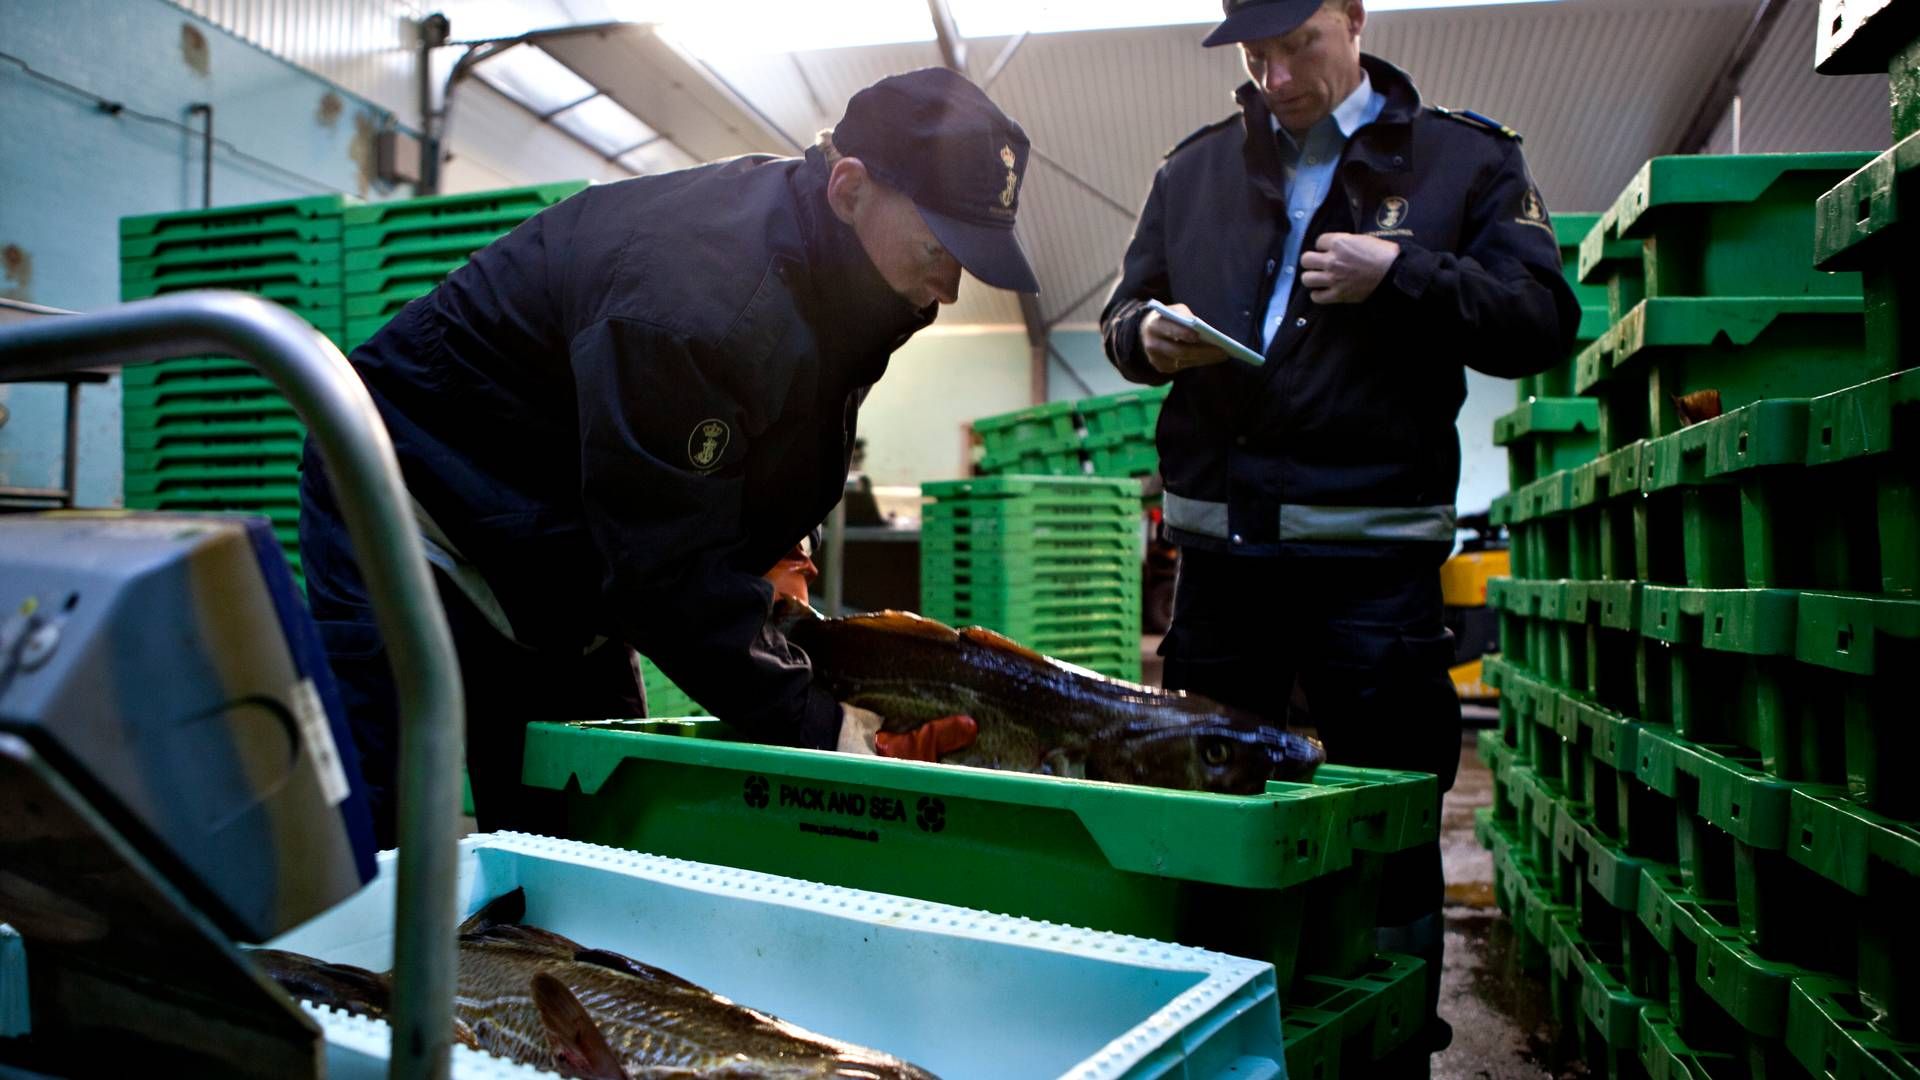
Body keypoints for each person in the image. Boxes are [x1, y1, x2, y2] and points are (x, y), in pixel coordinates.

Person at [302, 68, 1017, 847]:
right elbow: (664, 577)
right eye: (941, 245)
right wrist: (830, 731)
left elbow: (737, 435)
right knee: (394, 835)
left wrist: (767, 545)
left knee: (582, 834)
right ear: (849, 189)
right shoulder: (696, 301)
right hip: (413, 496)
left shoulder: (842, 274)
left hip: (559, 529)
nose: (951, 285)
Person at [1099, 0, 1579, 1069]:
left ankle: (1389, 1038)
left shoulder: (1464, 162)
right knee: (1210, 809)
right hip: (1221, 574)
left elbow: (1541, 317)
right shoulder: (1195, 171)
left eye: (1297, 47)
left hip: (1373, 581)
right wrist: (1149, 337)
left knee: (1387, 825)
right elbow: (1121, 316)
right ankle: (1221, 1041)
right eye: (1258, 56)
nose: (1276, 76)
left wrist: (1401, 276)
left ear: (1353, 17)